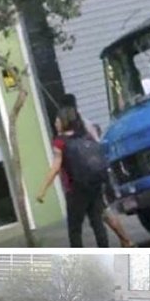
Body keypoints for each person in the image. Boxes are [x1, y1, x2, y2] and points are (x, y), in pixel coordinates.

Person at [60, 94, 135, 248]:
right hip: (97, 173)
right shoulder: (83, 122)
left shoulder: (70, 126)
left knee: (103, 213)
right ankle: (124, 241)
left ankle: (126, 240)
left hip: (84, 178)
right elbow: (97, 142)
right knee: (101, 215)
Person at [36, 106, 110, 248]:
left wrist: (43, 190)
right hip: (94, 186)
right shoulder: (85, 136)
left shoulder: (60, 142)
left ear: (63, 121)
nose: (55, 123)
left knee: (75, 229)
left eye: (57, 120)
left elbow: (56, 168)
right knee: (97, 223)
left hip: (75, 190)